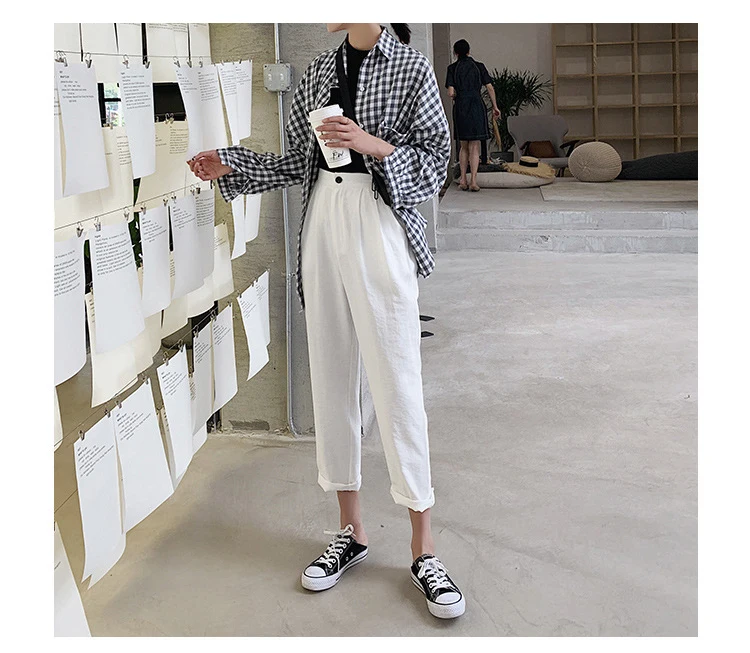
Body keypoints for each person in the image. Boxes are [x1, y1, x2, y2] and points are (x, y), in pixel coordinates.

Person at [188, 23, 465, 620]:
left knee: (397, 382)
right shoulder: (317, 71)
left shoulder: (410, 67)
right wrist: (230, 163)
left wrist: (371, 144)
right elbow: (296, 162)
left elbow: (436, 164)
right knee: (332, 379)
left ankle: (424, 547)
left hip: (379, 220)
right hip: (323, 223)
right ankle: (351, 531)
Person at [445, 39, 501, 192]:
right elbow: (490, 87)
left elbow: (450, 92)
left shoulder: (452, 68)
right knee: (475, 146)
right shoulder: (479, 66)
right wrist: (495, 107)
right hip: (476, 105)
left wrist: (458, 94)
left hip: (461, 106)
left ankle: (463, 179)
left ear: (455, 53)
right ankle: (474, 181)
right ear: (469, 51)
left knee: (463, 146)